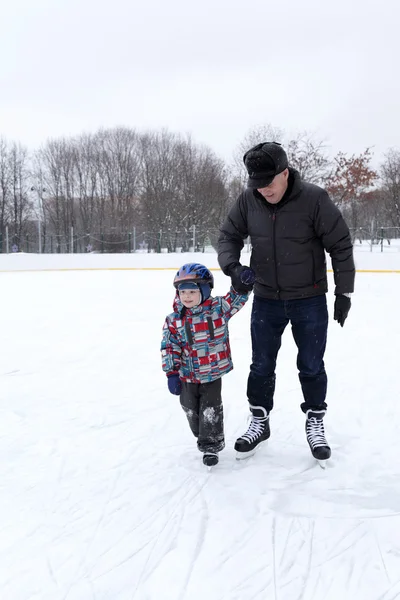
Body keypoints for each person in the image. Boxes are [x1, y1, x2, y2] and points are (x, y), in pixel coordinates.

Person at [218, 142, 355, 463]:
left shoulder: (314, 199)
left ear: (284, 173)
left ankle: (315, 420)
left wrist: (343, 291)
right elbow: (228, 236)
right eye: (256, 183)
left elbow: (341, 244)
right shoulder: (248, 199)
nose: (262, 189)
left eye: (268, 182)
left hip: (309, 299)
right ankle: (260, 420)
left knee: (311, 364)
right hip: (266, 298)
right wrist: (233, 268)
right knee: (261, 365)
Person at [161, 262, 250, 467]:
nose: (187, 297)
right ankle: (201, 433)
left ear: (205, 290)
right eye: (183, 292)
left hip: (212, 373)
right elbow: (169, 346)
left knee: (210, 410)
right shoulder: (174, 320)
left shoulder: (218, 309)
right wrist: (172, 373)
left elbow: (236, 299)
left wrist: (243, 284)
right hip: (187, 375)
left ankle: (210, 447)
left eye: (192, 291)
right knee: (190, 408)